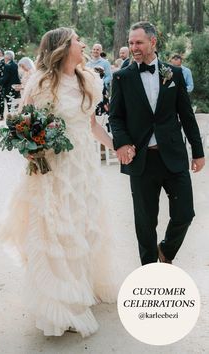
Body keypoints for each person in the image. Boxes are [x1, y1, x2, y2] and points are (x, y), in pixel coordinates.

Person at [0, 27, 124, 338]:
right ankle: (59, 301)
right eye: (78, 40)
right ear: (64, 48)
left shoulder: (89, 79)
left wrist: (115, 146)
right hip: (52, 168)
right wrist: (30, 149)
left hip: (83, 167)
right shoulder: (41, 82)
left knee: (83, 225)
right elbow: (22, 123)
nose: (82, 43)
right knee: (56, 229)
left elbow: (91, 125)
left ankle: (82, 286)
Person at [109, 21, 205, 266]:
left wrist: (198, 151)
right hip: (142, 160)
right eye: (131, 43)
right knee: (145, 223)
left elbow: (186, 114)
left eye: (138, 42)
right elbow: (116, 117)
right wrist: (121, 143)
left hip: (173, 155)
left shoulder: (174, 74)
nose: (134, 47)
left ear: (153, 42)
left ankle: (166, 251)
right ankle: (149, 272)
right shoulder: (121, 77)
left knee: (185, 213)